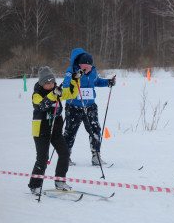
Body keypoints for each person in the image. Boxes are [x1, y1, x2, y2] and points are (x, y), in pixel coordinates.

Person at [29, 66, 80, 194]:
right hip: (41, 131)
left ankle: (60, 181)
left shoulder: (57, 90)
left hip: (55, 130)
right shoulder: (37, 94)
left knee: (64, 153)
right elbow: (41, 105)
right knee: (42, 158)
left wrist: (75, 80)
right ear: (42, 83)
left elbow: (72, 94)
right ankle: (35, 186)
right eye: (48, 83)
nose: (51, 85)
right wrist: (53, 95)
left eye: (52, 82)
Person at [63, 48, 115, 166]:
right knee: (70, 132)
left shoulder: (93, 73)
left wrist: (108, 82)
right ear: (79, 64)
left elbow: (97, 81)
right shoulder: (71, 71)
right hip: (73, 107)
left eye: (89, 66)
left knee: (95, 129)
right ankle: (65, 157)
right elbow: (66, 84)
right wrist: (75, 78)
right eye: (84, 66)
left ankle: (96, 155)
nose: (87, 69)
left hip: (90, 106)